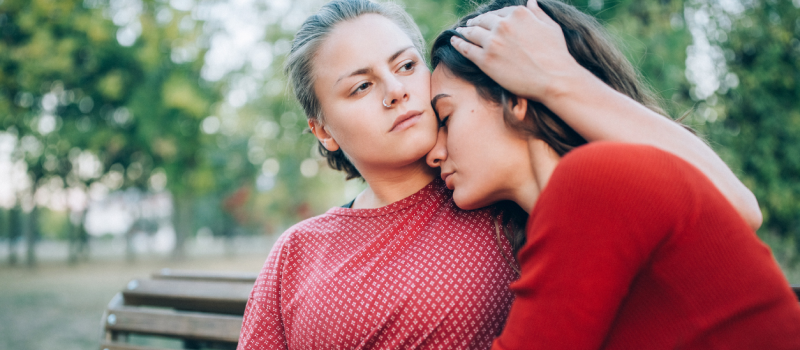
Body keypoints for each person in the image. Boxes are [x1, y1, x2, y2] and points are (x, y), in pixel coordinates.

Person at [238, 0, 765, 348]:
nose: (396, 91)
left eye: (405, 66)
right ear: (323, 132)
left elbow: (728, 209)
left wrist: (558, 79)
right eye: (360, 87)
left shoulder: (517, 200)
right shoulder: (298, 250)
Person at [425, 0, 800, 349]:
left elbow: (738, 208)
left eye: (445, 117)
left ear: (516, 98)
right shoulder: (564, 223)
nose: (434, 152)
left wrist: (558, 78)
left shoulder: (593, 183)